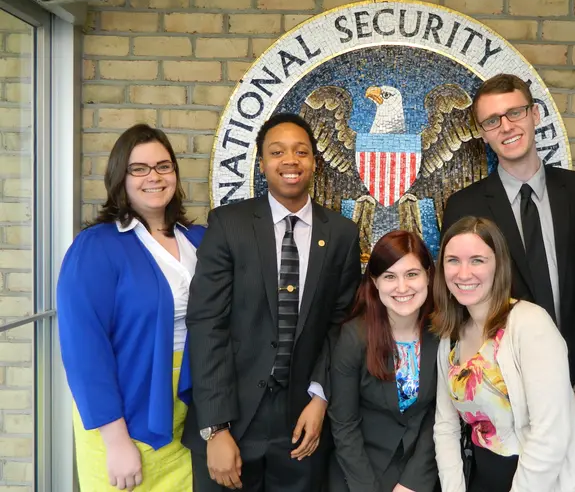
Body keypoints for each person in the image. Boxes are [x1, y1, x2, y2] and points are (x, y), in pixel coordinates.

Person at [183, 113, 361, 492]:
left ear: (315, 161)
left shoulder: (342, 234)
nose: (290, 161)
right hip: (231, 417)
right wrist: (215, 428)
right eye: (277, 152)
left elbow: (341, 325)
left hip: (302, 424)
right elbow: (206, 324)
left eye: (301, 151)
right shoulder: (228, 225)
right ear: (262, 164)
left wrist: (320, 398)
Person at [57, 124, 205, 491]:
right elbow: (84, 349)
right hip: (125, 410)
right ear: (119, 177)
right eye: (139, 168)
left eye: (163, 166)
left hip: (188, 414)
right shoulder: (95, 247)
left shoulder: (199, 240)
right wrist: (115, 440)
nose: (153, 177)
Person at [441, 74, 575, 406]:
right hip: (502, 390)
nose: (507, 126)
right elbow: (461, 304)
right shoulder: (463, 205)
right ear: (483, 134)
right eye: (492, 120)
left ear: (535, 114)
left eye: (515, 113)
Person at [432, 216, 575, 492]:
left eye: (477, 260)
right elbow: (445, 426)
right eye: (453, 260)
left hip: (546, 482)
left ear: (499, 266)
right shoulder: (450, 335)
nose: (463, 273)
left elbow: (550, 435)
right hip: (484, 477)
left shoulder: (530, 324)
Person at [328, 230, 439, 492]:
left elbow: (440, 416)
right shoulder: (354, 337)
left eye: (412, 274)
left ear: (428, 275)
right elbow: (344, 424)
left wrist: (413, 482)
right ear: (375, 283)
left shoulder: (444, 333)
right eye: (390, 276)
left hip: (422, 471)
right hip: (360, 473)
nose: (402, 288)